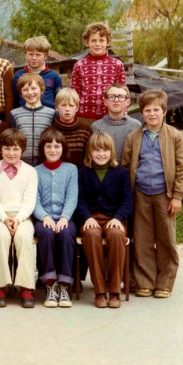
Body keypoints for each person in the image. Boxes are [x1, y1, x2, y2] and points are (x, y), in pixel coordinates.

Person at [122, 89, 183, 299]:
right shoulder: (134, 137)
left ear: (164, 111)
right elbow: (125, 166)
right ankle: (145, 281)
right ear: (142, 112)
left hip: (165, 194)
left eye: (156, 110)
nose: (152, 114)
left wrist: (177, 196)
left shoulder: (174, 136)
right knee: (142, 239)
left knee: (166, 239)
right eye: (147, 110)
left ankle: (164, 282)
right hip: (140, 193)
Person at [77, 132, 132, 308]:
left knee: (116, 235)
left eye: (105, 150)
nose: (101, 154)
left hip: (113, 218)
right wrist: (87, 217)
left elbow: (127, 201)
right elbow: (79, 200)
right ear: (89, 152)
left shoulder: (120, 173)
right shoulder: (82, 173)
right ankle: (99, 291)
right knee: (92, 235)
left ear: (111, 152)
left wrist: (118, 217)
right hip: (90, 219)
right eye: (96, 150)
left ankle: (115, 291)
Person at [0, 128, 38, 308]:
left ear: (22, 150)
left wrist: (18, 219)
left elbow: (29, 201)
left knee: (24, 237)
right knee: (1, 237)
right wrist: (4, 218)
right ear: (0, 149)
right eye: (7, 148)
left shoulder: (30, 172)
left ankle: (25, 286)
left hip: (23, 217)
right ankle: (0, 286)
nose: (11, 153)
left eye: (15, 149)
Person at [33, 129, 78, 308]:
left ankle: (64, 285)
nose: (53, 150)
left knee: (66, 234)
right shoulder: (35, 171)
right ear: (42, 149)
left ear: (63, 148)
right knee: (46, 234)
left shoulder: (71, 169)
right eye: (49, 146)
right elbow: (34, 200)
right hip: (43, 218)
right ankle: (50, 285)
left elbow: (72, 196)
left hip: (65, 218)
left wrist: (65, 217)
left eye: (57, 146)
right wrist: (44, 216)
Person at [71, 22, 126, 124]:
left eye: (101, 40)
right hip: (85, 117)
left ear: (108, 42)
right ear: (87, 42)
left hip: (110, 117)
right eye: (93, 40)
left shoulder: (118, 65)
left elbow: (122, 92)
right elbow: (74, 93)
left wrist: (123, 113)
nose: (97, 44)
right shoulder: (79, 65)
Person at [9, 73, 55, 166]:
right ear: (20, 93)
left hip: (45, 161)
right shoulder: (14, 114)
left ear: (41, 89)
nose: (30, 92)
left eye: (34, 88)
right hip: (22, 162)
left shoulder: (51, 113)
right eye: (25, 90)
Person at [12, 36, 62, 108]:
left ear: (45, 56)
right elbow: (16, 100)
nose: (34, 58)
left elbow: (59, 100)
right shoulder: (18, 76)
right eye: (30, 54)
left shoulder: (54, 76)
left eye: (38, 55)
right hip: (24, 113)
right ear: (25, 54)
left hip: (48, 114)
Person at [92, 83, 141, 157]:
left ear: (128, 102)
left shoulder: (136, 126)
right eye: (111, 97)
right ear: (105, 102)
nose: (116, 100)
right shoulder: (96, 127)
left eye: (121, 97)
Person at [51, 88, 92, 167]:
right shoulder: (50, 132)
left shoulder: (86, 131)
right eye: (63, 105)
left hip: (80, 173)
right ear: (56, 107)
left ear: (77, 108)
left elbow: (89, 158)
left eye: (71, 105)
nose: (67, 109)